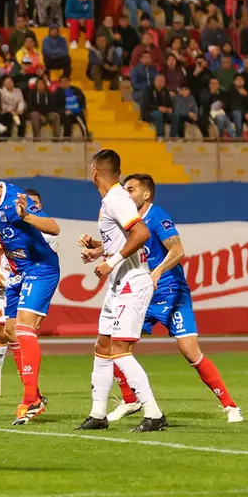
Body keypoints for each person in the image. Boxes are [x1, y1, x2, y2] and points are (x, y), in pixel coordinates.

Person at [101, 174, 244, 425]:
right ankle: (130, 400)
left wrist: (157, 272)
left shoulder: (157, 216)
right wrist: (95, 248)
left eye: (131, 189)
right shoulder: (129, 220)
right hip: (142, 293)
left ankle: (230, 406)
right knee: (115, 344)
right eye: (124, 189)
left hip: (170, 291)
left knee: (191, 352)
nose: (126, 194)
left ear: (146, 194)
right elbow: (123, 248)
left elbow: (178, 250)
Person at [75, 149, 167, 433]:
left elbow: (141, 233)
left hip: (132, 281)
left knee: (120, 351)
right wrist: (98, 250)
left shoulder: (116, 198)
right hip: (118, 283)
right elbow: (123, 239)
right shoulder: (111, 200)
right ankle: (98, 414)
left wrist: (110, 262)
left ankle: (153, 413)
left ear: (95, 172)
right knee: (103, 347)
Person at [0, 171, 60, 424]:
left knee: (24, 328)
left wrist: (26, 215)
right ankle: (35, 395)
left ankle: (30, 399)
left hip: (40, 269)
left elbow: (54, 227)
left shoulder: (15, 199)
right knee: (9, 332)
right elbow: (2, 226)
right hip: (17, 273)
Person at [145, 74, 174, 140]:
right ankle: (159, 136)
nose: (161, 82)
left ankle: (173, 136)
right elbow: (146, 104)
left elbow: (170, 103)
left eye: (163, 81)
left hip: (163, 111)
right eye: (159, 80)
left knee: (175, 115)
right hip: (149, 111)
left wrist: (170, 109)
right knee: (158, 114)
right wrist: (158, 108)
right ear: (155, 81)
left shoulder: (165, 90)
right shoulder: (148, 89)